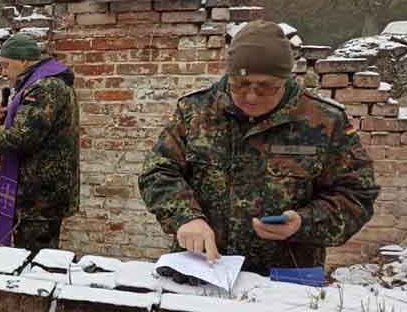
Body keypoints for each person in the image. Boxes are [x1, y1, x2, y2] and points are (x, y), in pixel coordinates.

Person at [139, 21, 380, 275]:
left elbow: (357, 195)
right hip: (202, 267)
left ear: (285, 79)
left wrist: (303, 223)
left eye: (266, 87)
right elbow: (158, 172)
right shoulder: (195, 111)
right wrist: (186, 217)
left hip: (286, 276)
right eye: (240, 85)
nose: (251, 96)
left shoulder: (325, 121)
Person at [0, 35, 79, 251]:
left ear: (23, 61)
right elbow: (34, 129)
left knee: (34, 260)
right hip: (42, 190)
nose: (3, 72)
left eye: (6, 65)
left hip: (38, 196)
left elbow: (22, 138)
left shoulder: (44, 88)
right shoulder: (44, 82)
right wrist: (11, 117)